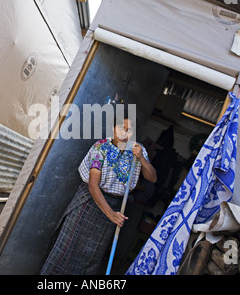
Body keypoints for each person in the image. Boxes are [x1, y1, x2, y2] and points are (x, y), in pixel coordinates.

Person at [40, 112, 157, 275]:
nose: (124, 133)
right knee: (67, 248)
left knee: (90, 255)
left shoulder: (138, 150)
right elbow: (93, 185)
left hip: (115, 205)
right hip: (89, 203)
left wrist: (142, 160)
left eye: (128, 129)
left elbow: (152, 178)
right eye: (120, 128)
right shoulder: (101, 147)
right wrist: (110, 214)